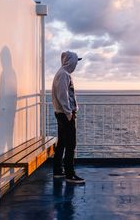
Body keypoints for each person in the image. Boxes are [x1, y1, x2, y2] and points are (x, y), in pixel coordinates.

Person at [52, 51, 84, 184]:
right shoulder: (63, 75)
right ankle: (70, 174)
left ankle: (58, 171)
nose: (76, 64)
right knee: (71, 144)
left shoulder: (62, 73)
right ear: (70, 61)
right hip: (65, 114)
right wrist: (69, 112)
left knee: (62, 143)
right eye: (76, 61)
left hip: (62, 113)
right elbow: (62, 95)